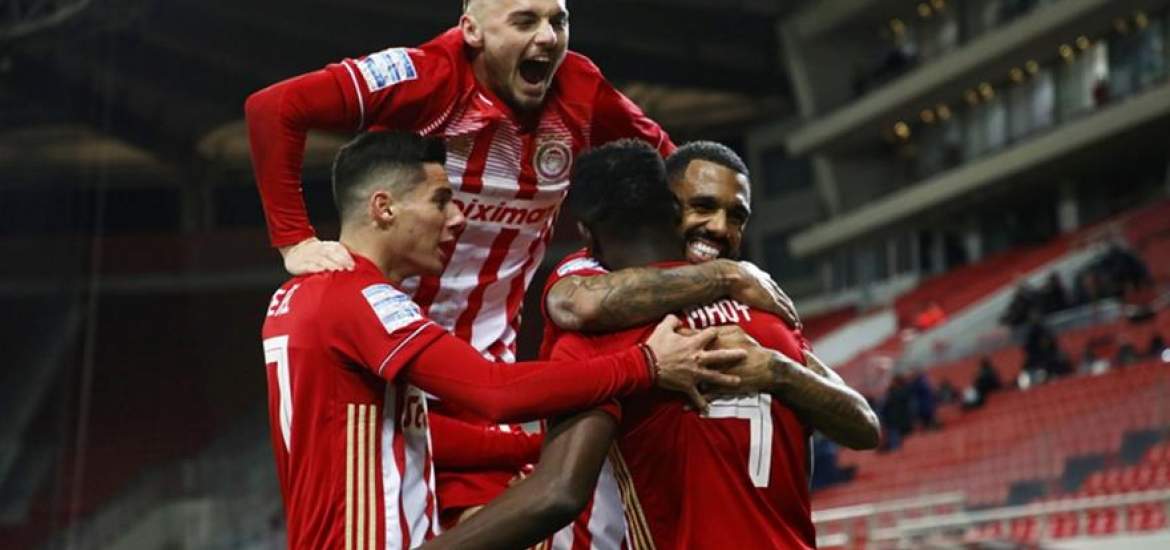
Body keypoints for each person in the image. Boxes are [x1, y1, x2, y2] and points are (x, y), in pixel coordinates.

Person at [245, 0, 796, 522]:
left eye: (559, 21)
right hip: (394, 375)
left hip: (488, 381)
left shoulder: (580, 89)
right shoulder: (424, 76)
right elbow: (275, 107)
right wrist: (295, 240)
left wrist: (715, 262)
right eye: (525, 21)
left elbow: (675, 170)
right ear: (472, 30)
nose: (548, 37)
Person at [261, 131, 749, 549]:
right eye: (440, 201)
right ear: (383, 208)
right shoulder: (361, 299)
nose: (457, 218)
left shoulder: (299, 295)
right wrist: (646, 363)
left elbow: (417, 433)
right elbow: (495, 391)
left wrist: (535, 449)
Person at [428, 140, 879, 549]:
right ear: (668, 205)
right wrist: (730, 276)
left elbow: (558, 490)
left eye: (736, 216)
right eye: (703, 207)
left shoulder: (748, 311)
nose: (719, 227)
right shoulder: (752, 308)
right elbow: (580, 303)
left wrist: (780, 371)